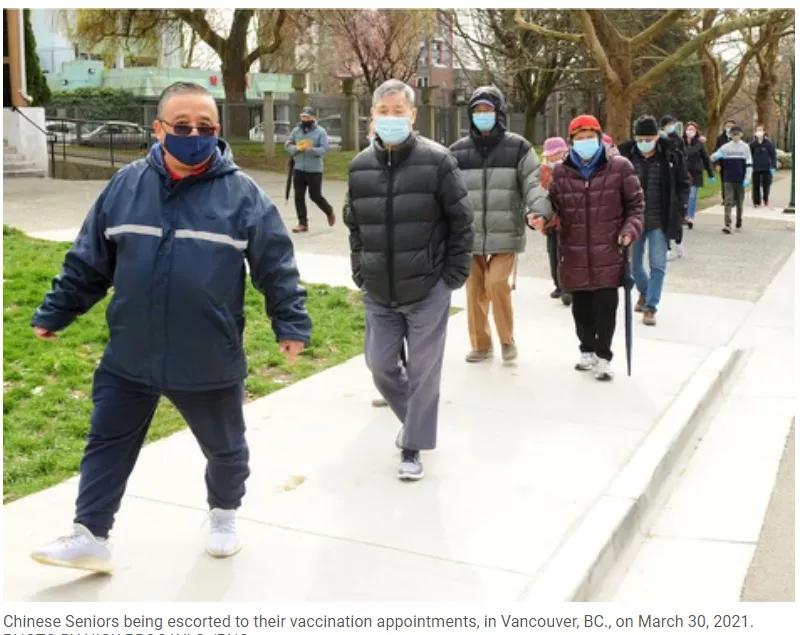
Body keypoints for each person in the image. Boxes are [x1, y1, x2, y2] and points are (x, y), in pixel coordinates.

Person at [28, 82, 312, 573]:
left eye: (206, 126)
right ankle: (90, 533)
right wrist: (57, 310)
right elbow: (89, 259)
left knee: (225, 450)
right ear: (159, 130)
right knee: (106, 441)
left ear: (218, 131)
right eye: (182, 126)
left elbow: (277, 266)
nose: (194, 134)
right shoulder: (125, 186)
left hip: (208, 355)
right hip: (131, 354)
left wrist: (291, 322)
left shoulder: (243, 195)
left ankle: (223, 515)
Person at [343, 79, 473, 480]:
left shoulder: (438, 162)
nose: (391, 118)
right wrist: (361, 270)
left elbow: (462, 221)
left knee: (423, 372)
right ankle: (416, 420)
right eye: (384, 111)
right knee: (380, 365)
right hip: (379, 291)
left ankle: (412, 447)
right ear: (373, 116)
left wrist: (452, 275)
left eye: (399, 111)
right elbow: (355, 226)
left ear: (413, 115)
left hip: (426, 288)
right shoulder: (359, 166)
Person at [528, 115, 643, 381]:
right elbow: (552, 206)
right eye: (580, 139)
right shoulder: (560, 173)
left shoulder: (620, 168)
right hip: (575, 251)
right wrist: (539, 218)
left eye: (590, 138)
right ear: (571, 143)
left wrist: (630, 230)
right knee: (581, 309)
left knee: (606, 306)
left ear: (599, 138)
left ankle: (604, 355)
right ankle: (586, 349)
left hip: (609, 252)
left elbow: (636, 206)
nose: (585, 143)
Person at [449, 86, 544, 362]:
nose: (482, 115)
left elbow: (533, 183)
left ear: (499, 112)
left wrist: (538, 210)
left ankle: (506, 339)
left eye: (487, 110)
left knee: (497, 282)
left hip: (506, 230)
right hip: (470, 233)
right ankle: (480, 344)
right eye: (477, 111)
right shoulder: (457, 151)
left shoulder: (519, 147)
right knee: (475, 288)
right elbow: (446, 191)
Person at [619, 115, 690, 327]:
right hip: (634, 221)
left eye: (649, 137)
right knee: (633, 266)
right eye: (640, 138)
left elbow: (683, 183)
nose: (644, 142)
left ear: (657, 137)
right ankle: (644, 291)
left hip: (660, 220)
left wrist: (682, 206)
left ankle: (650, 307)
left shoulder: (671, 156)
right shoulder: (625, 157)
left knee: (658, 265)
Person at [286, 106, 335, 233]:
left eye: (307, 117)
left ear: (314, 118)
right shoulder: (296, 131)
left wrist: (311, 150)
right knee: (299, 196)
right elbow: (288, 144)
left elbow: (324, 149)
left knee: (315, 196)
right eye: (303, 117)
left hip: (314, 170)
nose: (304, 119)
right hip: (299, 169)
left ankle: (329, 211)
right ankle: (302, 223)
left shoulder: (320, 132)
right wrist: (297, 149)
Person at [538, 136, 572, 305]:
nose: (554, 157)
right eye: (551, 154)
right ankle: (558, 284)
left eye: (557, 153)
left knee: (564, 255)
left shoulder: (570, 168)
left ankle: (567, 288)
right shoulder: (543, 171)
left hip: (567, 220)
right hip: (550, 220)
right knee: (553, 255)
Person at [711, 125, 753, 233]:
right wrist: (717, 155)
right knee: (728, 201)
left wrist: (747, 178)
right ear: (730, 135)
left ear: (741, 135)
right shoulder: (725, 147)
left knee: (739, 202)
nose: (735, 137)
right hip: (728, 178)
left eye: (737, 134)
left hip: (740, 179)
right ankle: (727, 224)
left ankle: (739, 222)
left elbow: (749, 163)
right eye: (733, 135)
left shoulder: (745, 147)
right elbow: (713, 157)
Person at [683, 121, 716, 229]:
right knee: (683, 196)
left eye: (692, 129)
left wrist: (711, 174)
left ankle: (689, 216)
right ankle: (683, 215)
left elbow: (706, 158)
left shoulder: (699, 144)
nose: (690, 131)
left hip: (695, 173)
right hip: (682, 173)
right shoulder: (680, 142)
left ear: (696, 131)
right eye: (688, 129)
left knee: (692, 195)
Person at [750, 123, 778, 208]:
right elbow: (749, 156)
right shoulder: (752, 144)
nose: (759, 132)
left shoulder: (769, 144)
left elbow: (773, 156)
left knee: (766, 185)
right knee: (755, 186)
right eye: (757, 130)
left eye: (761, 130)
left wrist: (773, 167)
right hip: (755, 168)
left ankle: (766, 200)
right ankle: (756, 202)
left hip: (766, 168)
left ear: (764, 132)